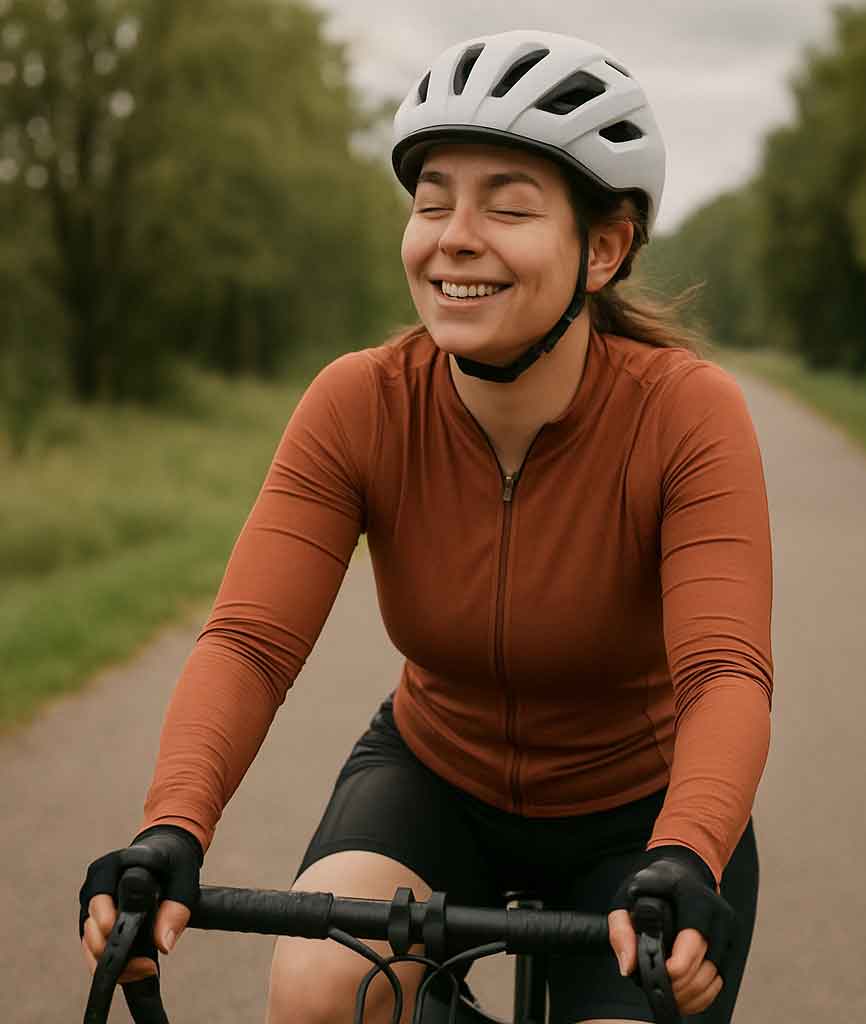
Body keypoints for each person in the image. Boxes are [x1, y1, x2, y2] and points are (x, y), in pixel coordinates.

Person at [80, 29, 772, 1024]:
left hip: (643, 814)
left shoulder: (685, 413)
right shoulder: (358, 402)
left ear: (604, 248)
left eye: (508, 204)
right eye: (433, 198)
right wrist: (169, 832)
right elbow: (250, 643)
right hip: (435, 778)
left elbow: (724, 674)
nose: (453, 233)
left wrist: (690, 851)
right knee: (321, 989)